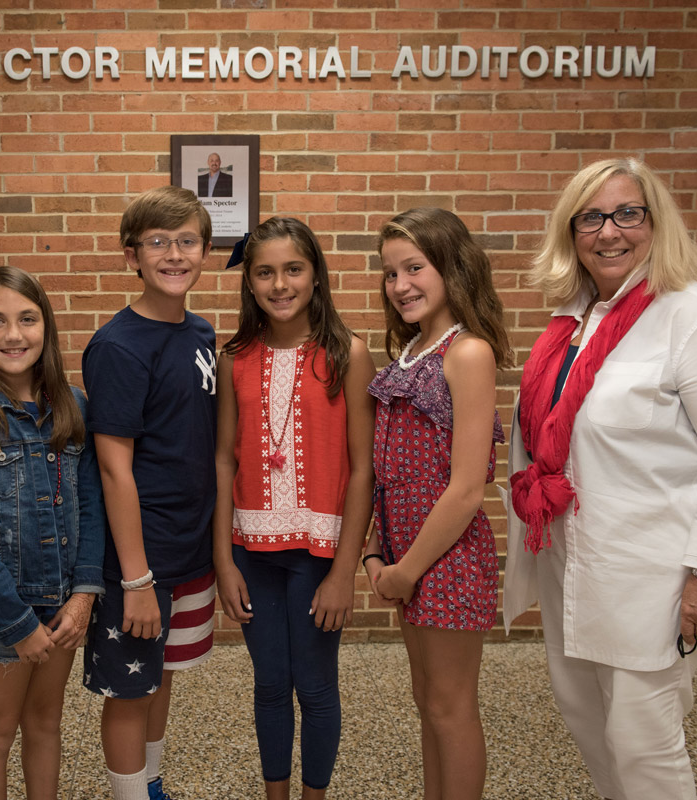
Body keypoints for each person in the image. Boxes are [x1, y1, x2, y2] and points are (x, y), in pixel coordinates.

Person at [503, 157, 697, 800]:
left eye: (628, 214)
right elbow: (559, 435)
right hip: (571, 565)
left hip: (653, 575)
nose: (609, 232)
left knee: (645, 743)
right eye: (590, 217)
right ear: (571, 233)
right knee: (590, 725)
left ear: (657, 223)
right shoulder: (572, 324)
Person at [213, 217, 375, 800]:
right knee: (270, 684)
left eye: (293, 269)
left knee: (314, 685)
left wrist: (342, 572)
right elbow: (224, 462)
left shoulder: (348, 353)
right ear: (249, 283)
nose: (280, 284)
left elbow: (362, 469)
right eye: (265, 272)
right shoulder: (232, 357)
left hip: (318, 553)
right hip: (250, 550)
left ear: (315, 275)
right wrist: (223, 564)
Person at [0, 266, 105, 800]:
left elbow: (92, 509)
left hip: (62, 607)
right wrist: (16, 624)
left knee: (46, 724)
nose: (13, 335)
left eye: (27, 319)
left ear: (46, 328)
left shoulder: (74, 407)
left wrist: (83, 597)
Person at [361, 208, 514, 800]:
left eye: (414, 268)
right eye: (390, 273)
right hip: (406, 557)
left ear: (452, 267)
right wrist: (379, 552)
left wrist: (407, 568)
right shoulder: (412, 352)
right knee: (428, 700)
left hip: (445, 558)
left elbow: (467, 486)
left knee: (451, 705)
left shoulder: (465, 352)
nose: (400, 285)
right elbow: (388, 472)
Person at [81, 185, 219, 800]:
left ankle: (150, 782)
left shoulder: (202, 333)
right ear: (131, 256)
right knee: (131, 689)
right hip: (140, 560)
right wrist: (135, 580)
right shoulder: (117, 347)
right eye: (158, 242)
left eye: (187, 241)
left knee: (160, 679)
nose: (174, 254)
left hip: (189, 551)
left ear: (205, 252)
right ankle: (128, 794)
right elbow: (114, 470)